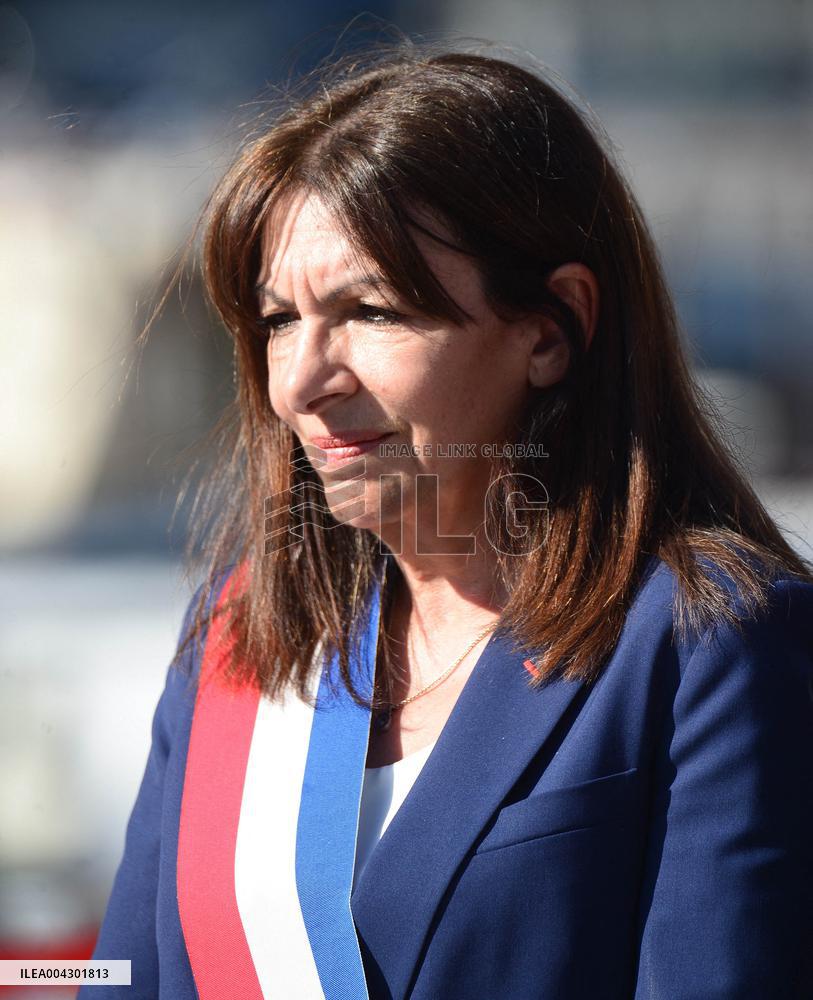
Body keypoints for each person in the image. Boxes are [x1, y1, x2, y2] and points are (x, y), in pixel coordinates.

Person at [80, 40, 813, 1000]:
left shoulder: (705, 643)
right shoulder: (238, 637)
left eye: (372, 311)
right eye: (278, 321)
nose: (301, 382)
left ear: (550, 331)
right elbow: (121, 976)